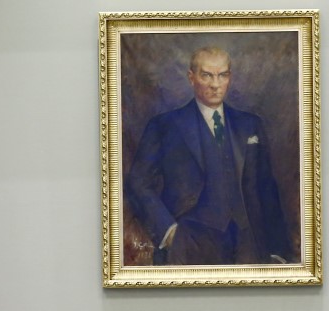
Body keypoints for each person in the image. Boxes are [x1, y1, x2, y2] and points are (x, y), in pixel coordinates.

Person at [125, 46, 296, 266]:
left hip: (248, 244)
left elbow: (266, 188)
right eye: (206, 75)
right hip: (188, 242)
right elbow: (139, 183)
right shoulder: (164, 126)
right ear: (191, 77)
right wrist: (168, 231)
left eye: (222, 75)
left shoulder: (250, 124)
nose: (215, 85)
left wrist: (277, 249)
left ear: (229, 77)